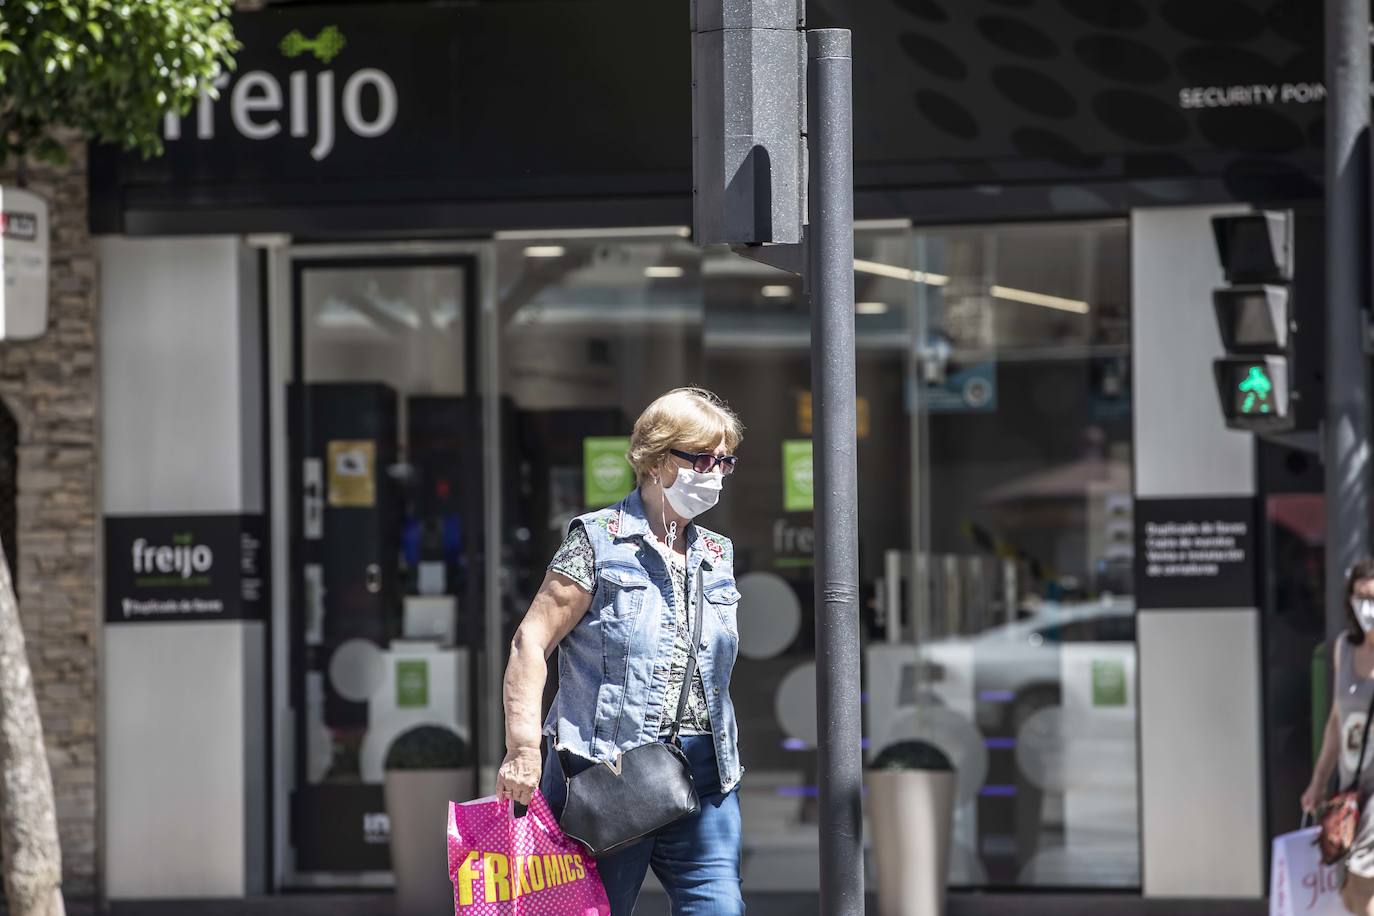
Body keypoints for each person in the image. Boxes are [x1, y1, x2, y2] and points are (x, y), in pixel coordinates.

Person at [496, 387, 746, 916]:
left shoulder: (716, 554)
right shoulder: (597, 541)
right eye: (703, 459)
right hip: (606, 773)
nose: (717, 474)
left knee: (720, 909)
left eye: (725, 461)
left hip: (705, 775)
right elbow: (530, 641)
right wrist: (522, 750)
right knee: (588, 909)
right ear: (658, 461)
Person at [1304, 559, 1374, 915]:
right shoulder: (1344, 649)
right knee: (1348, 889)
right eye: (1361, 598)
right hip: (1350, 790)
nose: (1368, 607)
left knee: (1363, 887)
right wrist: (1317, 783)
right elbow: (1336, 721)